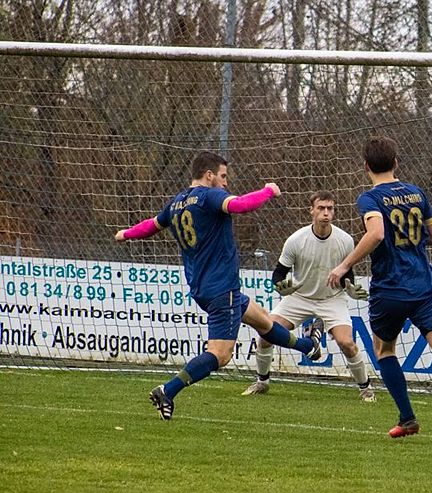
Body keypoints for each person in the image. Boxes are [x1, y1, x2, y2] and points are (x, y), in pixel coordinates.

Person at [114, 151, 325, 420]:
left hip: (203, 288)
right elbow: (241, 205)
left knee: (263, 321)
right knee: (220, 355)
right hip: (222, 289)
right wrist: (268, 191)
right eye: (223, 176)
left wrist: (126, 234)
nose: (226, 182)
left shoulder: (176, 203)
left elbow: (152, 226)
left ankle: (309, 346)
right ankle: (167, 390)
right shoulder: (209, 196)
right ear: (209, 175)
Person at [326, 135, 432, 446]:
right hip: (425, 285)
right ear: (396, 163)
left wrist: (344, 265)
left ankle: (407, 418)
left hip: (390, 288)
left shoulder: (370, 199)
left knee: (384, 350)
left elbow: (376, 233)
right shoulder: (417, 193)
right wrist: (411, 242)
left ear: (366, 166)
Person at [242, 190, 375, 402]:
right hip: (299, 297)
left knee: (347, 343)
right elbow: (278, 274)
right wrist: (281, 287)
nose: (326, 213)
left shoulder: (345, 240)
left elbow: (347, 275)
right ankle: (262, 381)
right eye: (321, 208)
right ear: (311, 211)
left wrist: (349, 287)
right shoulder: (296, 240)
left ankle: (366, 389)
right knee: (266, 333)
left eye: (330, 208)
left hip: (332, 299)